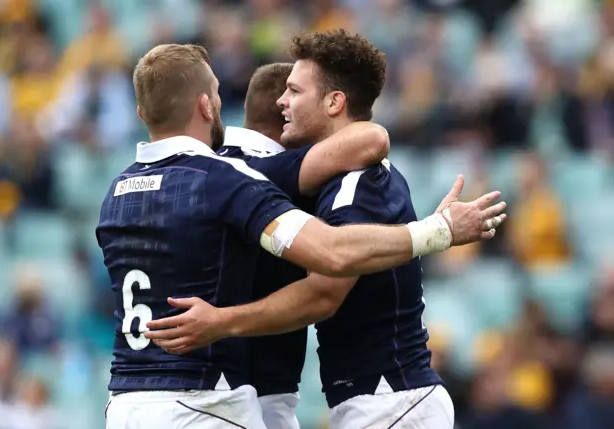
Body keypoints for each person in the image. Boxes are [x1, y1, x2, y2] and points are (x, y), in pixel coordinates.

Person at [144, 32, 506, 429]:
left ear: (334, 102)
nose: (283, 101)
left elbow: (324, 293)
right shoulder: (334, 179)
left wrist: (221, 321)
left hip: (390, 399)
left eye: (295, 91)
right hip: (379, 399)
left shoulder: (356, 183)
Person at [224, 63, 392, 429]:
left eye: (296, 92)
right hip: (260, 398)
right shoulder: (277, 171)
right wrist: (434, 234)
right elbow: (372, 139)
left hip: (170, 389)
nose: (290, 100)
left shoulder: (201, 168)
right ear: (284, 115)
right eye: (289, 94)